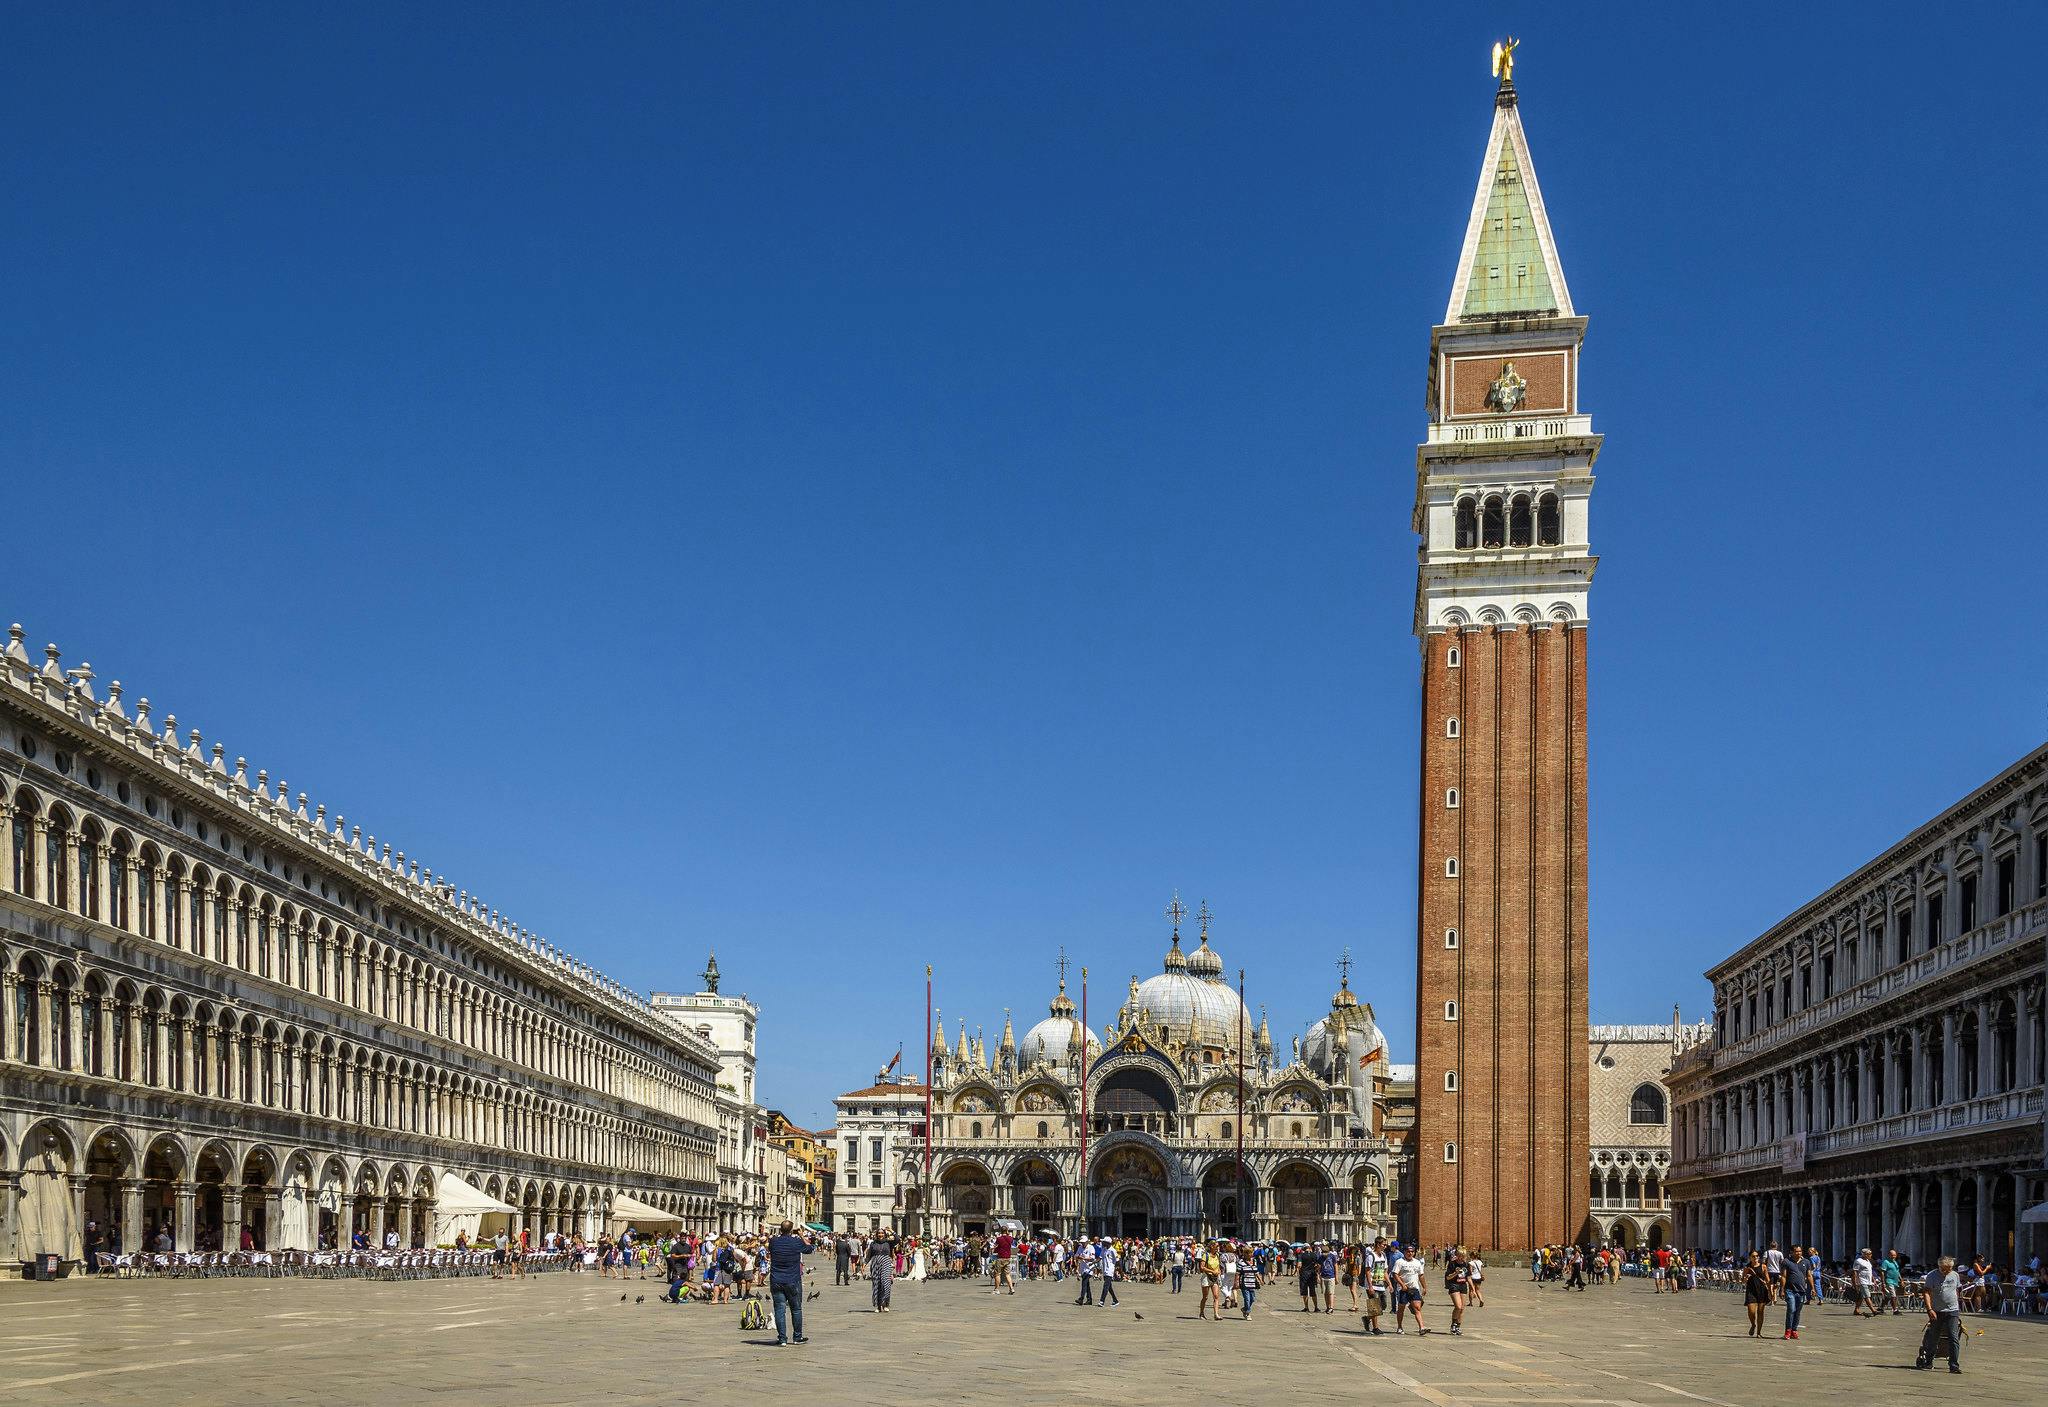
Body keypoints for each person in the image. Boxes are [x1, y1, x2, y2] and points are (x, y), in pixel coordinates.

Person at [765, 1221, 812, 1345]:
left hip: (776, 1280)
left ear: (780, 1229)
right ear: (791, 1230)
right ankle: (797, 1337)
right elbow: (810, 1248)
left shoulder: (774, 1241)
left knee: (779, 1309)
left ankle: (782, 1339)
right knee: (796, 1309)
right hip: (792, 1280)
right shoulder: (796, 1242)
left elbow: (770, 1249)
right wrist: (801, 1236)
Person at [1916, 1255, 1963, 1373]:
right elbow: (1926, 1292)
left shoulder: (1955, 1275)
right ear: (1939, 1266)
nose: (1946, 1271)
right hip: (1936, 1311)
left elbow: (1956, 1290)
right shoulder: (1932, 1276)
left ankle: (1954, 1365)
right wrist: (1929, 1309)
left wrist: (1957, 1305)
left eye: (1949, 1269)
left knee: (1953, 1337)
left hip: (1952, 1310)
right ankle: (1928, 1361)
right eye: (1944, 1269)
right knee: (1934, 1337)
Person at [1391, 1245, 1430, 1335]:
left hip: (1414, 1288)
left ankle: (1421, 1327)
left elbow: (1421, 1275)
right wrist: (1402, 1284)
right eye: (1408, 1252)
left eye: (1412, 1252)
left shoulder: (1417, 1262)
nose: (1410, 1253)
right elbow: (1395, 1274)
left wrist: (1424, 1287)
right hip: (1403, 1289)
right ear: (1404, 1252)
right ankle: (1399, 1327)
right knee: (1401, 1308)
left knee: (1417, 1308)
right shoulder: (1399, 1262)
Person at [1782, 1245, 1811, 1339]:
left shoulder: (1806, 1262)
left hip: (1801, 1290)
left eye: (1800, 1251)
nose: (1798, 1253)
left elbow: (1809, 1275)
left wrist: (1813, 1288)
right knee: (1791, 1309)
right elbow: (1784, 1276)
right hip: (1789, 1289)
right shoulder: (1786, 1261)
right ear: (1791, 1252)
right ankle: (1788, 1330)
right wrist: (1782, 1289)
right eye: (1796, 1251)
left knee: (1797, 1311)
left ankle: (1794, 1330)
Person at [866, 1229, 897, 1313]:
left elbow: (897, 1239)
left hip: (886, 1264)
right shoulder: (873, 1243)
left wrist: (891, 1230)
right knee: (877, 1285)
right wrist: (864, 1264)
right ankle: (878, 1306)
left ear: (885, 1234)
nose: (880, 1235)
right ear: (876, 1234)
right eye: (879, 1233)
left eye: (882, 1233)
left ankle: (886, 1304)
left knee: (885, 1283)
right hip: (875, 1264)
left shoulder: (889, 1243)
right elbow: (869, 1255)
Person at [1443, 1246, 1472, 1336]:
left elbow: (1469, 1277)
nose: (1461, 1258)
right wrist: (1455, 1273)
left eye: (1463, 1256)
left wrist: (1473, 1289)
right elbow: (1448, 1277)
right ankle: (1453, 1324)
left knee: (1462, 1308)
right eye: (1460, 1255)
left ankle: (1458, 1326)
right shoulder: (1452, 1264)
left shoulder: (1466, 1265)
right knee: (1458, 1306)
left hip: (1463, 1286)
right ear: (1457, 1255)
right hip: (1454, 1285)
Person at [1742, 1252, 1771, 1338]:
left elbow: (1767, 1279)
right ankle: (1753, 1324)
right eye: (1753, 1256)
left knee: (1760, 1312)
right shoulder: (1747, 1267)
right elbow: (1742, 1281)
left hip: (1762, 1291)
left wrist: (1771, 1291)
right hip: (1751, 1291)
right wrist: (1745, 1278)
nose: (1755, 1258)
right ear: (1750, 1258)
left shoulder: (1763, 1266)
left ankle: (1759, 1332)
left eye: (1757, 1256)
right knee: (1751, 1311)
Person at [1197, 1241, 1222, 1321]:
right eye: (1217, 1246)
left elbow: (1218, 1266)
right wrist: (1212, 1271)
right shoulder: (1205, 1255)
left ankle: (1216, 1314)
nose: (1218, 1247)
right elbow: (1202, 1267)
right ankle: (1201, 1313)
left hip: (1215, 1278)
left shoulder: (1218, 1255)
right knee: (1205, 1297)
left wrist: (1218, 1271)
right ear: (1211, 1247)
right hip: (1206, 1277)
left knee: (1216, 1296)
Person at [1851, 1247, 1877, 1316]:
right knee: (1867, 1296)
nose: (1871, 1255)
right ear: (1864, 1254)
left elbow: (1870, 1272)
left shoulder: (1868, 1261)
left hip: (1868, 1281)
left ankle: (1856, 1310)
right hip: (1862, 1281)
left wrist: (1873, 1280)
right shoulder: (1858, 1261)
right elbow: (1855, 1272)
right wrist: (1855, 1281)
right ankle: (1873, 1310)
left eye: (1871, 1254)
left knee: (1861, 1297)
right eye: (1869, 1254)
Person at [1073, 1239, 1097, 1305]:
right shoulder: (1080, 1247)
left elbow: (1092, 1258)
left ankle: (1081, 1298)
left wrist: (1084, 1258)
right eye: (1082, 1243)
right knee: (1087, 1285)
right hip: (1082, 1268)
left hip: (1089, 1268)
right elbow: (1076, 1255)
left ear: (1087, 1242)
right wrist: (1079, 1256)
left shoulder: (1091, 1247)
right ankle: (1089, 1300)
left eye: (1084, 1243)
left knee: (1084, 1283)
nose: (1083, 1244)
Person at [992, 1229, 1015, 1295]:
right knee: (1007, 1274)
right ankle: (1011, 1288)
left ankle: (996, 1289)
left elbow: (995, 1246)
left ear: (1001, 1231)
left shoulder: (999, 1238)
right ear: (1007, 1231)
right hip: (1008, 1257)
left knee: (997, 1274)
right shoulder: (1010, 1238)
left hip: (1000, 1257)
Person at [1097, 1239, 1120, 1307]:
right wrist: (1092, 1263)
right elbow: (1100, 1258)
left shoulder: (1113, 1250)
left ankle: (1102, 1301)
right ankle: (1115, 1300)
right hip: (1105, 1270)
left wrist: (1117, 1269)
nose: (1102, 1243)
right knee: (1109, 1287)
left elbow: (1117, 1260)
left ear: (1108, 1243)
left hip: (1110, 1270)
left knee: (1105, 1286)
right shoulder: (1104, 1249)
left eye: (1104, 1242)